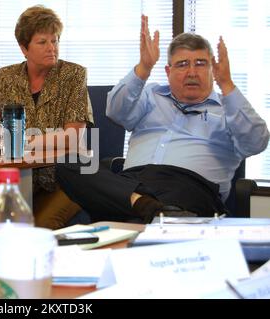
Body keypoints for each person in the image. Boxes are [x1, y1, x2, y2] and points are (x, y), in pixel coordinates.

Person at [57, 15, 269, 223]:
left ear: (213, 70)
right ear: (168, 71)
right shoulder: (151, 95)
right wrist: (143, 68)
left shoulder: (228, 109)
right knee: (70, 162)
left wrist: (228, 85)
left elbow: (256, 141)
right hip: (132, 182)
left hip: (189, 187)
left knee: (130, 212)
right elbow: (116, 111)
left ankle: (142, 209)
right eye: (183, 64)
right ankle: (147, 208)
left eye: (201, 63)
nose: (192, 72)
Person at [0, 5, 93, 230]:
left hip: (67, 178)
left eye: (55, 41)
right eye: (42, 42)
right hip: (20, 178)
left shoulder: (73, 75)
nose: (52, 48)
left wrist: (22, 141)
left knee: (39, 227)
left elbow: (72, 137)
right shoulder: (6, 77)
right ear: (24, 48)